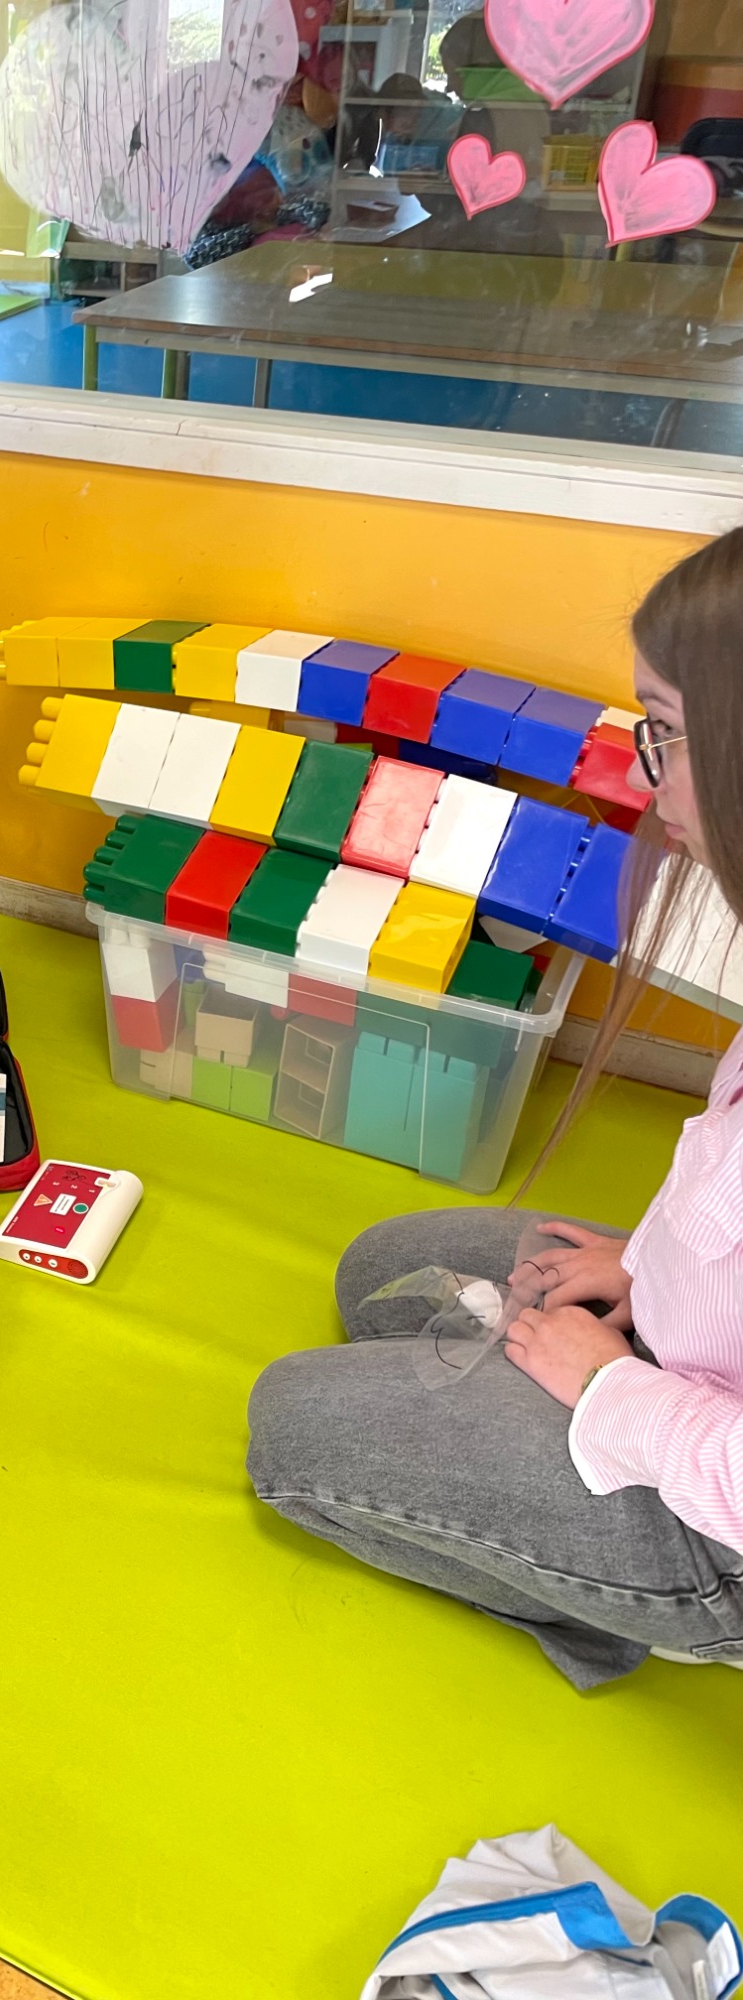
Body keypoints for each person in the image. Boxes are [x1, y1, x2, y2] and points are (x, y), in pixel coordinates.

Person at [248, 527, 743, 1689]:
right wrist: (644, 1270)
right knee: (380, 1272)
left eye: (664, 732)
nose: (646, 775)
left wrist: (613, 1387)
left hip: (716, 1509)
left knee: (289, 1428)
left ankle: (641, 1611)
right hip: (699, 1352)